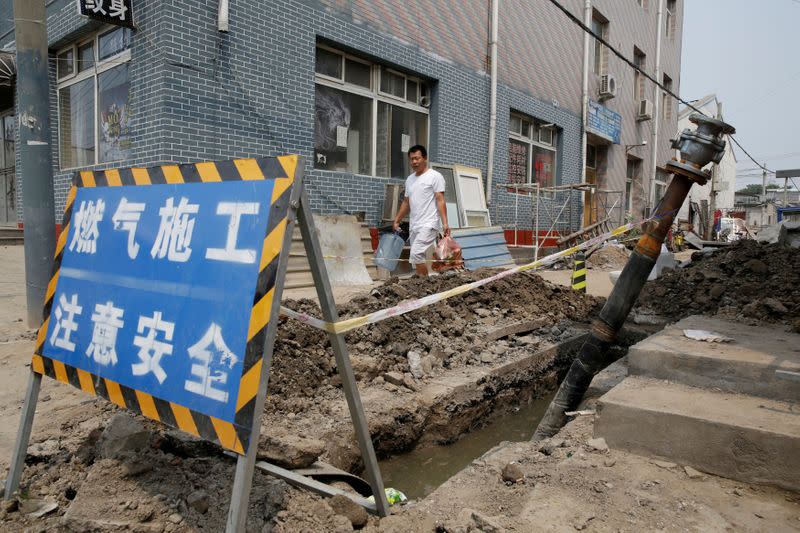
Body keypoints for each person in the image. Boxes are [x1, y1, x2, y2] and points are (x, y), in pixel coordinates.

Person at [392, 145, 449, 276]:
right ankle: (423, 286)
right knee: (416, 258)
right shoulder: (410, 179)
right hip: (414, 225)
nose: (414, 162)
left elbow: (440, 199)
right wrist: (397, 220)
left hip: (429, 223)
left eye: (417, 158)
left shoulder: (435, 176)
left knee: (416, 253)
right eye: (411, 159)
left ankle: (424, 282)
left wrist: (445, 223)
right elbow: (406, 202)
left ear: (425, 158)